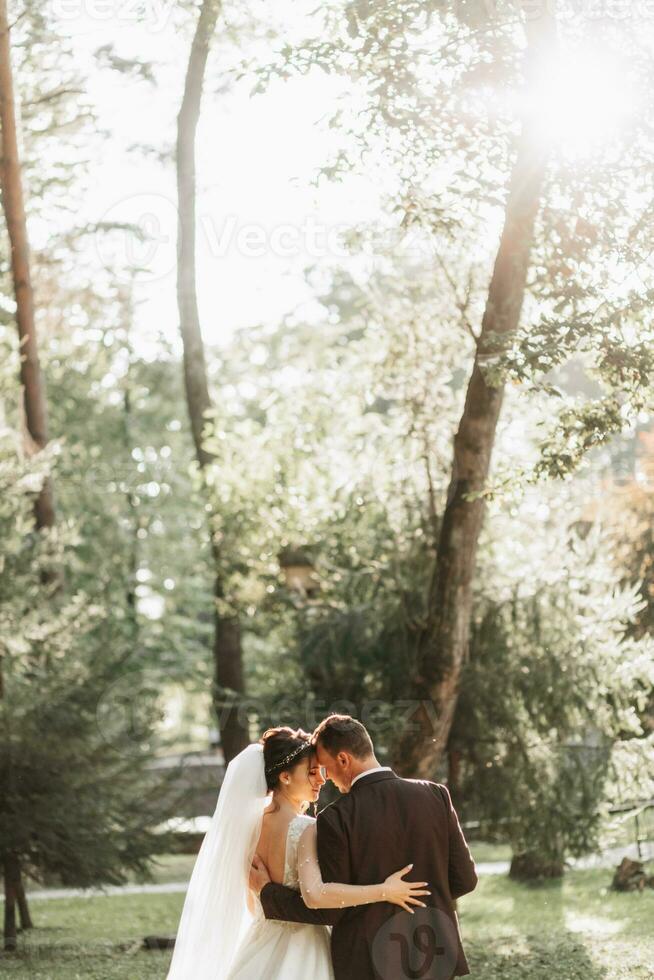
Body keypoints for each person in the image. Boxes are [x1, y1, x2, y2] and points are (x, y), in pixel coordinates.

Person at [166, 726, 429, 980]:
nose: (321, 779)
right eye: (313, 772)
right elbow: (318, 895)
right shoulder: (308, 829)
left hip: (259, 942)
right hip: (305, 947)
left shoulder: (248, 827)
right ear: (285, 776)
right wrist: (385, 890)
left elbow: (251, 903)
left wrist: (267, 891)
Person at [251, 714, 478, 980]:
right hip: (433, 952)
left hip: (367, 960)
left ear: (344, 760)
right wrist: (421, 899)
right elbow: (465, 879)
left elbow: (328, 908)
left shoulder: (335, 818)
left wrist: (268, 893)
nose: (326, 779)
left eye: (325, 767)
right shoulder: (436, 795)